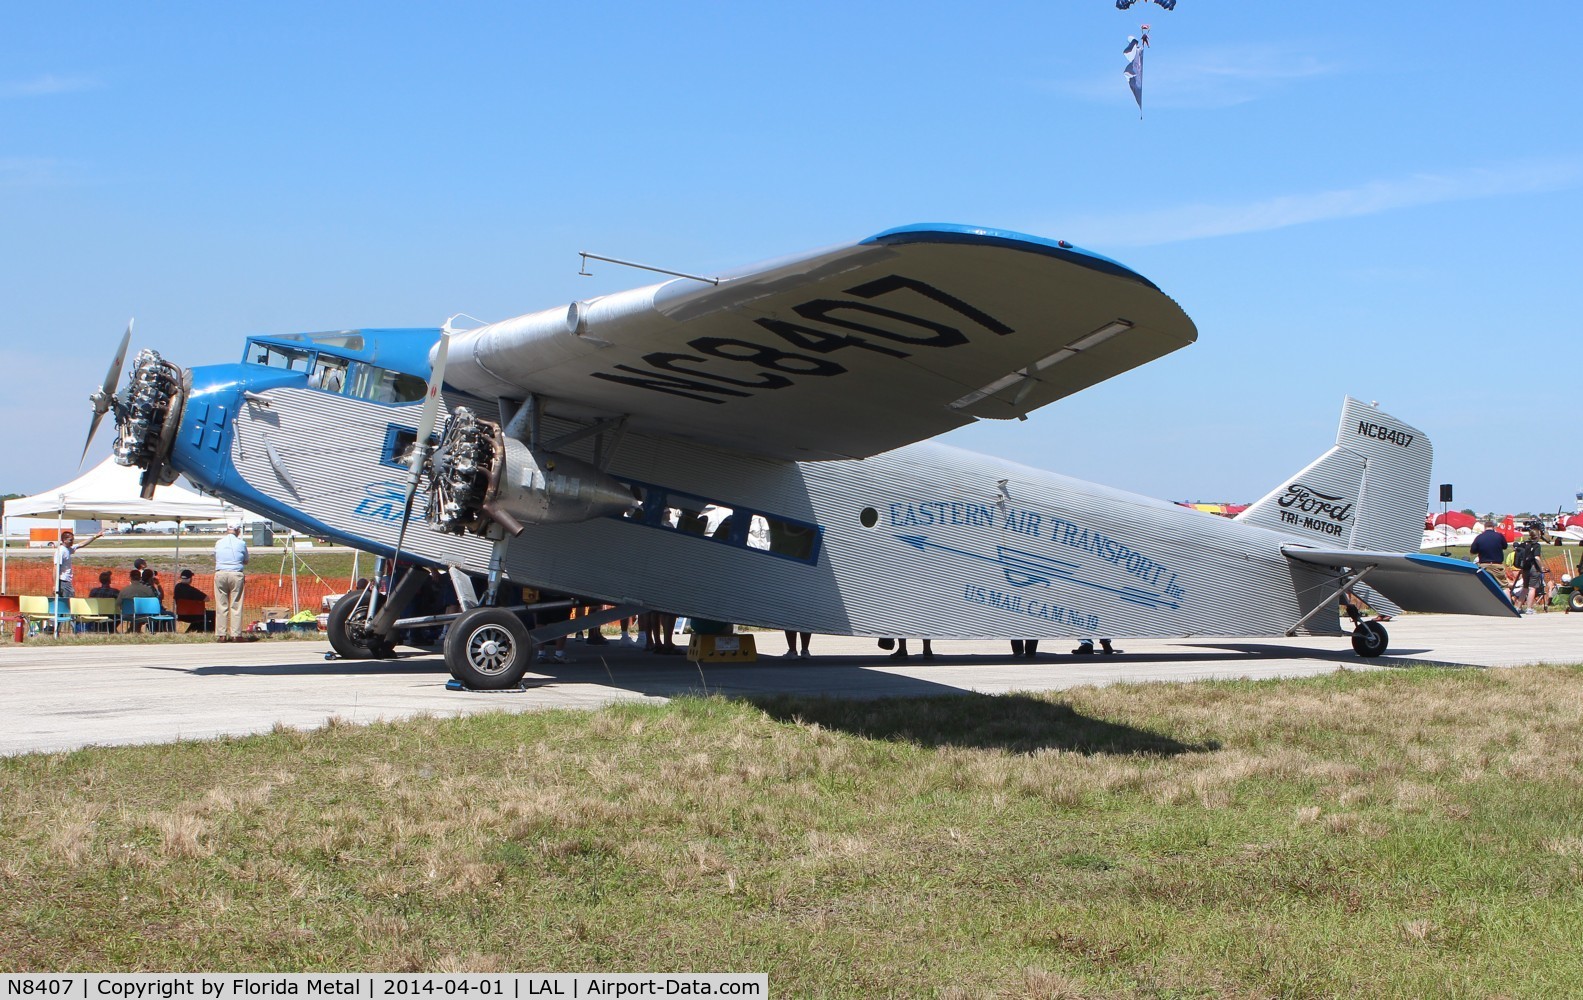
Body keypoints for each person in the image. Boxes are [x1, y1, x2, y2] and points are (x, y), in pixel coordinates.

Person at [214, 523, 253, 643]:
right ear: (237, 531)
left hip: (220, 573)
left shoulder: (219, 542)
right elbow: (246, 560)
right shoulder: (241, 543)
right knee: (236, 604)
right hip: (236, 574)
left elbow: (215, 557)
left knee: (221, 605)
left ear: (227, 530)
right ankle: (236, 634)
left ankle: (221, 634)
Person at [52, 528, 105, 599]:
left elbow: (81, 544)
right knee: (69, 600)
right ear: (64, 540)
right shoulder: (61, 551)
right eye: (70, 540)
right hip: (63, 581)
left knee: (70, 598)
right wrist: (55, 585)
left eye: (73, 540)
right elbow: (56, 568)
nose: (72, 542)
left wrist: (95, 536)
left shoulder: (68, 549)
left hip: (66, 580)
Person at [1513, 525, 1546, 615]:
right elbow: (1536, 557)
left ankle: (1518, 607)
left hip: (1525, 568)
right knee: (1532, 588)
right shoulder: (1536, 545)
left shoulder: (1525, 544)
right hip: (1533, 568)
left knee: (1525, 587)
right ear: (1537, 536)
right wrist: (1541, 567)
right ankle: (1529, 608)